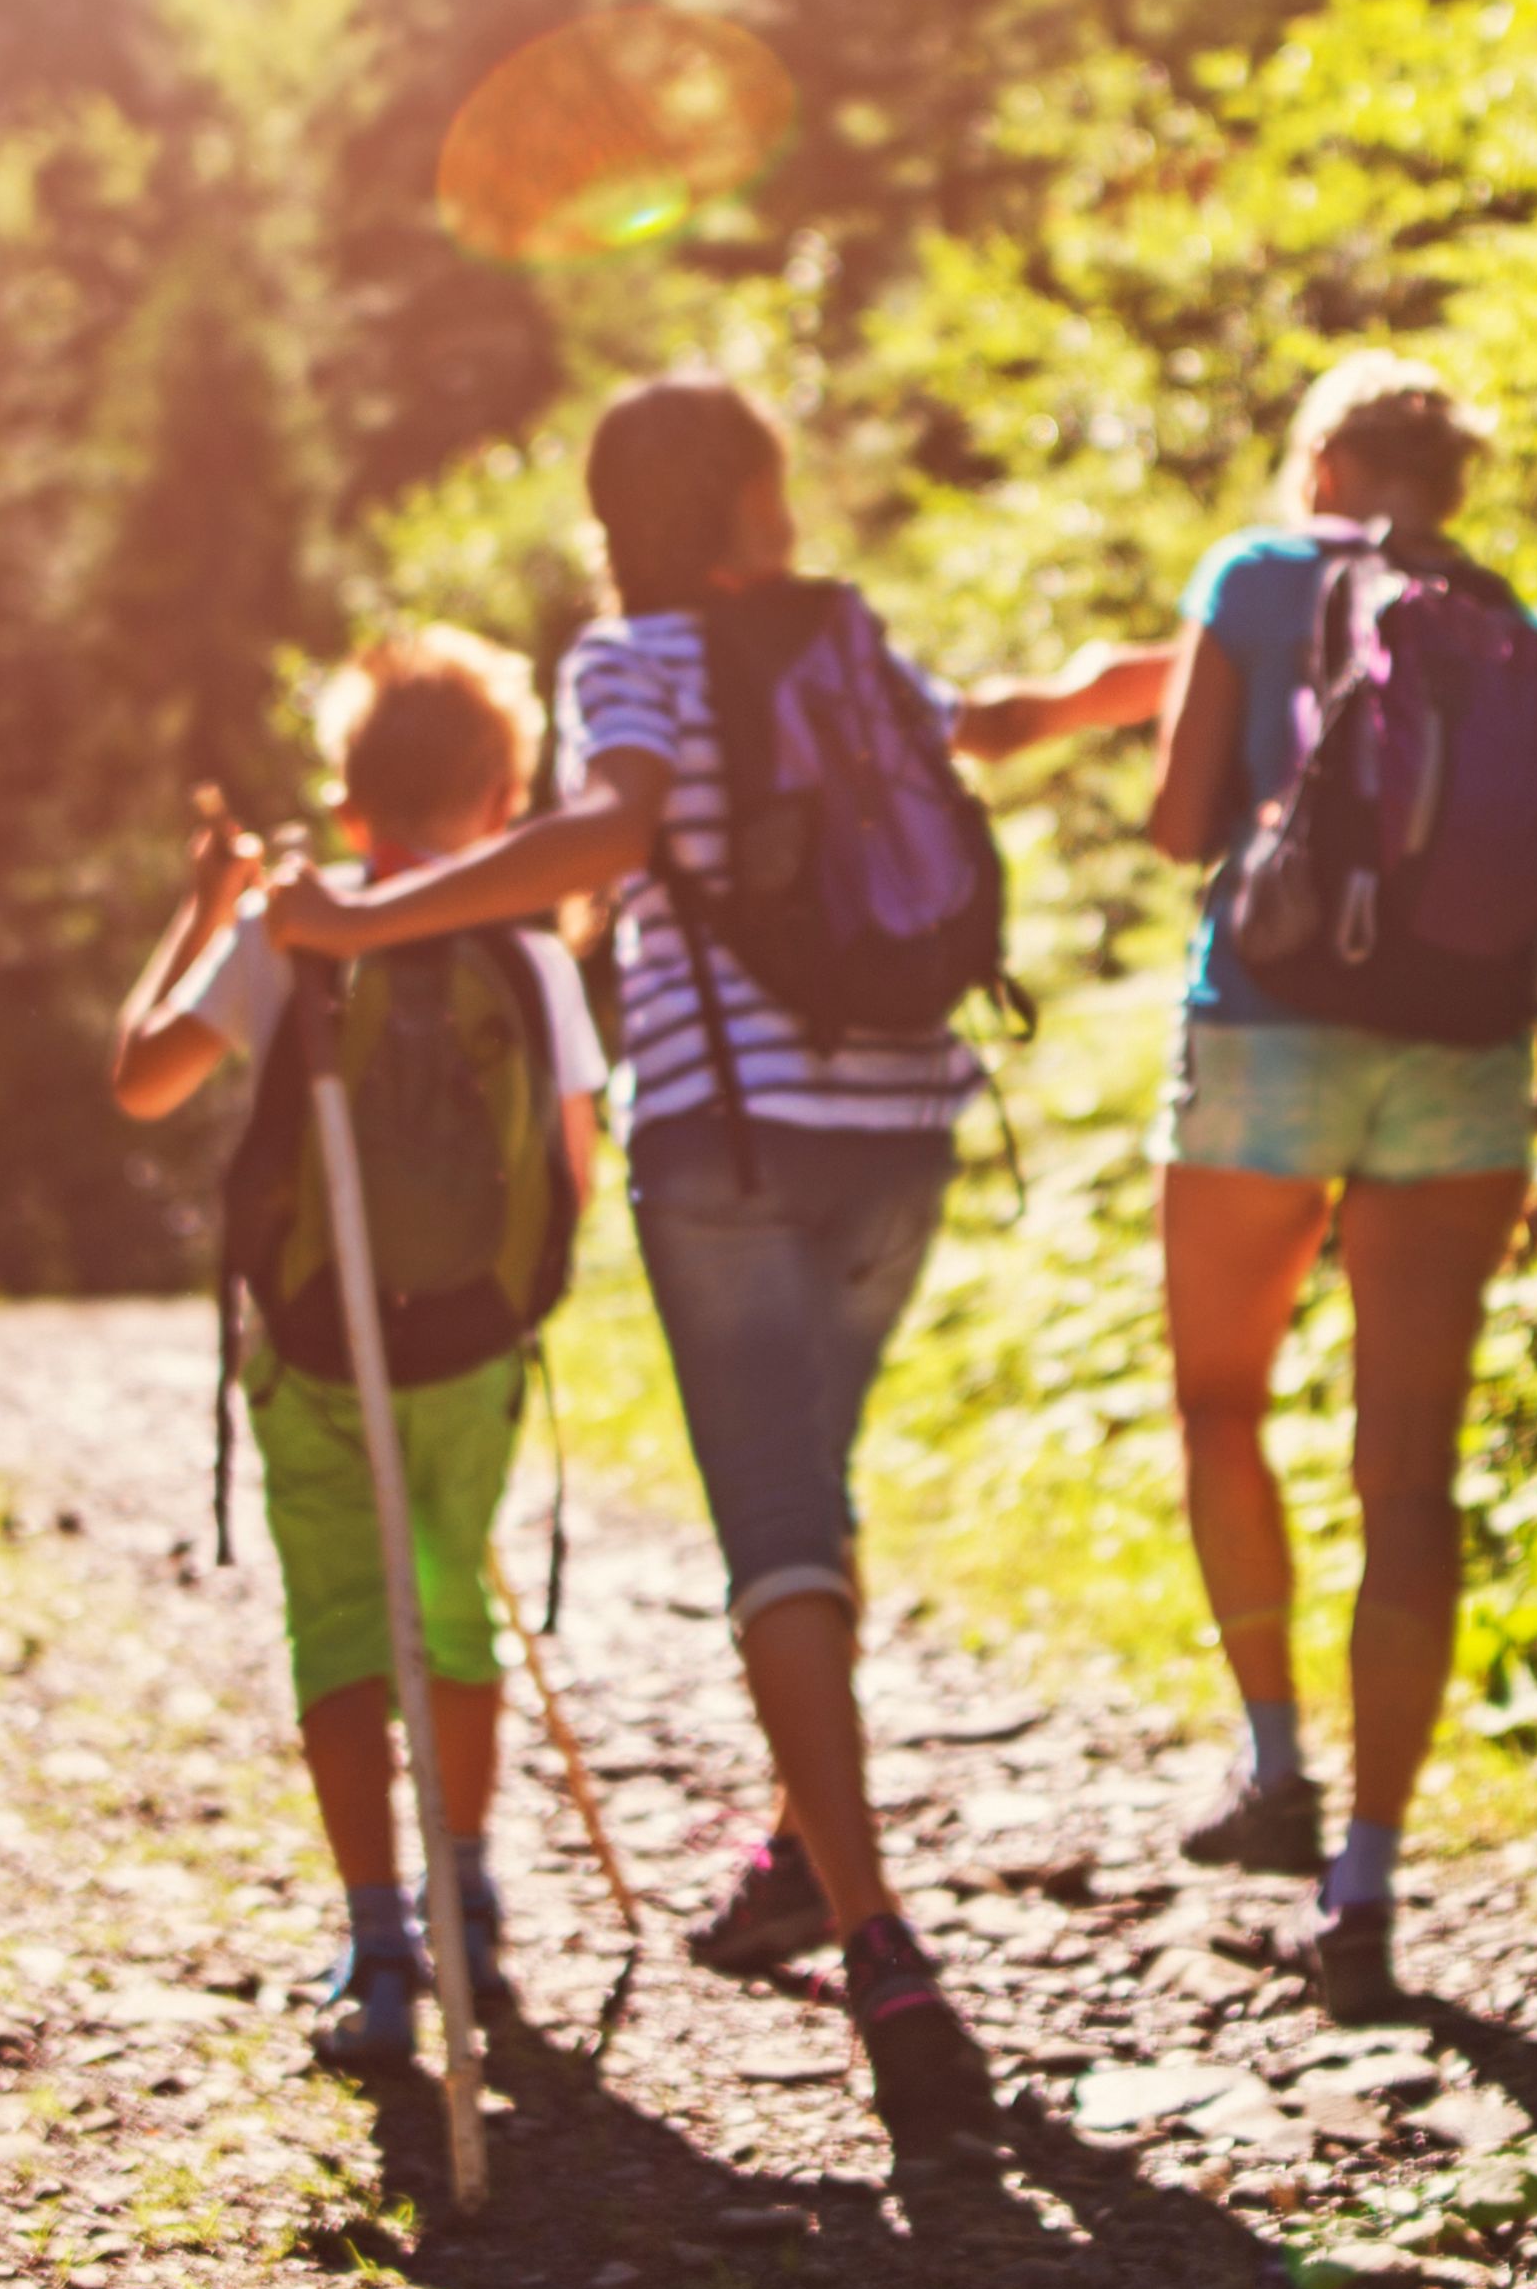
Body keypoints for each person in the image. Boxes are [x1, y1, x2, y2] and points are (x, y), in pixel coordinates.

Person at [271, 374, 1163, 2141]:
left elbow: (613, 834)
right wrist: (1157, 670)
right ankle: (795, 1853)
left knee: (771, 1528)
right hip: (908, 1113)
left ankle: (877, 1937)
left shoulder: (636, 660)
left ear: (622, 523)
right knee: (810, 1498)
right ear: (748, 499)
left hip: (733, 1137)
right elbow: (989, 722)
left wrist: (370, 913)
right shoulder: (843, 642)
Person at [109, 629, 606, 2079]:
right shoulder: (527, 948)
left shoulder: (285, 933)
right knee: (452, 1602)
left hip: (317, 1348)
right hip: (468, 1344)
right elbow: (569, 1170)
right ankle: (469, 1891)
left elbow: (143, 1082)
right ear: (501, 796)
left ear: (347, 798)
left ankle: (377, 1937)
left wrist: (204, 914)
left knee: (338, 1623)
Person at [1135, 355, 1537, 2020]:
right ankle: (1365, 1875)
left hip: (1266, 1040)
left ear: (1318, 459)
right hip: (1463, 1060)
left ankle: (1274, 1764)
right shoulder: (1516, 622)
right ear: (1449, 480)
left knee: (1220, 1400)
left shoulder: (1253, 576)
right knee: (1411, 1471)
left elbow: (1180, 823)